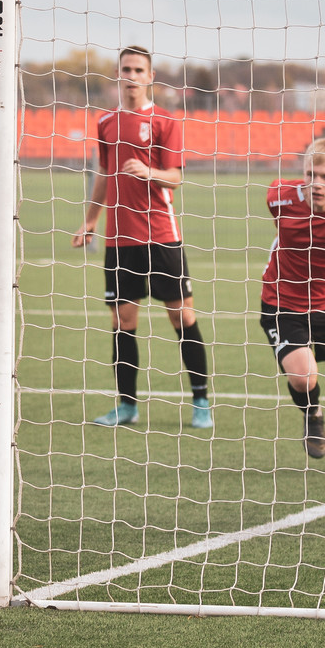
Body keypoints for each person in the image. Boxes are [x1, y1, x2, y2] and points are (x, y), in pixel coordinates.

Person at [72, 45, 212, 429]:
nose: (131, 75)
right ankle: (127, 406)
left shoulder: (166, 121)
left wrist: (149, 172)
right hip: (120, 240)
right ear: (117, 75)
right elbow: (104, 174)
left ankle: (201, 401)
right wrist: (90, 221)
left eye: (138, 70)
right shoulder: (105, 123)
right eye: (125, 69)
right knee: (122, 321)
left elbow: (176, 178)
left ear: (150, 77)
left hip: (161, 236)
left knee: (182, 317)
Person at [260, 137, 325, 465]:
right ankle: (313, 414)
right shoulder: (279, 197)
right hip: (283, 303)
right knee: (303, 377)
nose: (316, 184)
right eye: (310, 175)